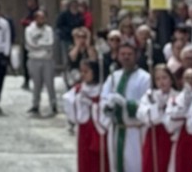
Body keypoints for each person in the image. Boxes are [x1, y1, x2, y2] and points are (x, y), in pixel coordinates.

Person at [101, 39, 152, 170]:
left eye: (129, 54)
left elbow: (146, 104)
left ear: (136, 56)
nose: (126, 57)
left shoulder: (145, 78)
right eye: (123, 54)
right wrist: (108, 105)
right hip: (116, 129)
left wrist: (126, 104)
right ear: (118, 56)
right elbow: (104, 99)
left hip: (134, 130)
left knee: (135, 165)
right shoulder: (113, 77)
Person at [140, 64, 178, 171]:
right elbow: (142, 114)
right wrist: (157, 107)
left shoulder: (178, 96)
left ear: (171, 79)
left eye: (164, 77)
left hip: (170, 137)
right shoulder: (150, 96)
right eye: (158, 79)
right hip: (153, 136)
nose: (162, 82)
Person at [68, 60, 105, 172]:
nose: (83, 74)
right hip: (84, 130)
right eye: (81, 71)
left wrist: (94, 106)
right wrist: (78, 101)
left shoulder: (103, 89)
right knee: (85, 160)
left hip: (99, 129)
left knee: (100, 161)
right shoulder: (78, 89)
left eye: (86, 71)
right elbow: (71, 111)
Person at [27, 7, 60, 116]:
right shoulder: (29, 30)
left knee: (50, 83)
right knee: (37, 84)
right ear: (35, 19)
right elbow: (31, 45)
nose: (42, 20)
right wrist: (42, 46)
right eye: (40, 18)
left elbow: (50, 43)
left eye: (43, 18)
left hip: (47, 60)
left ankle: (53, 104)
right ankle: (35, 105)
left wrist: (39, 45)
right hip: (34, 59)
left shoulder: (49, 30)